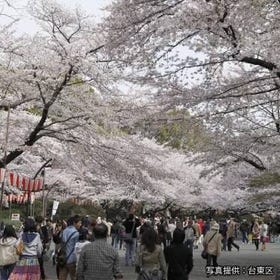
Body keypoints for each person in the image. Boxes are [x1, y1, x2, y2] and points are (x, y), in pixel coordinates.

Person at [59, 215, 81, 280]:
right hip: (72, 259)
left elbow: (61, 240)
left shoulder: (64, 230)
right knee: (74, 277)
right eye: (79, 223)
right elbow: (76, 247)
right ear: (74, 223)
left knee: (62, 277)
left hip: (63, 258)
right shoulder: (76, 233)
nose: (80, 224)